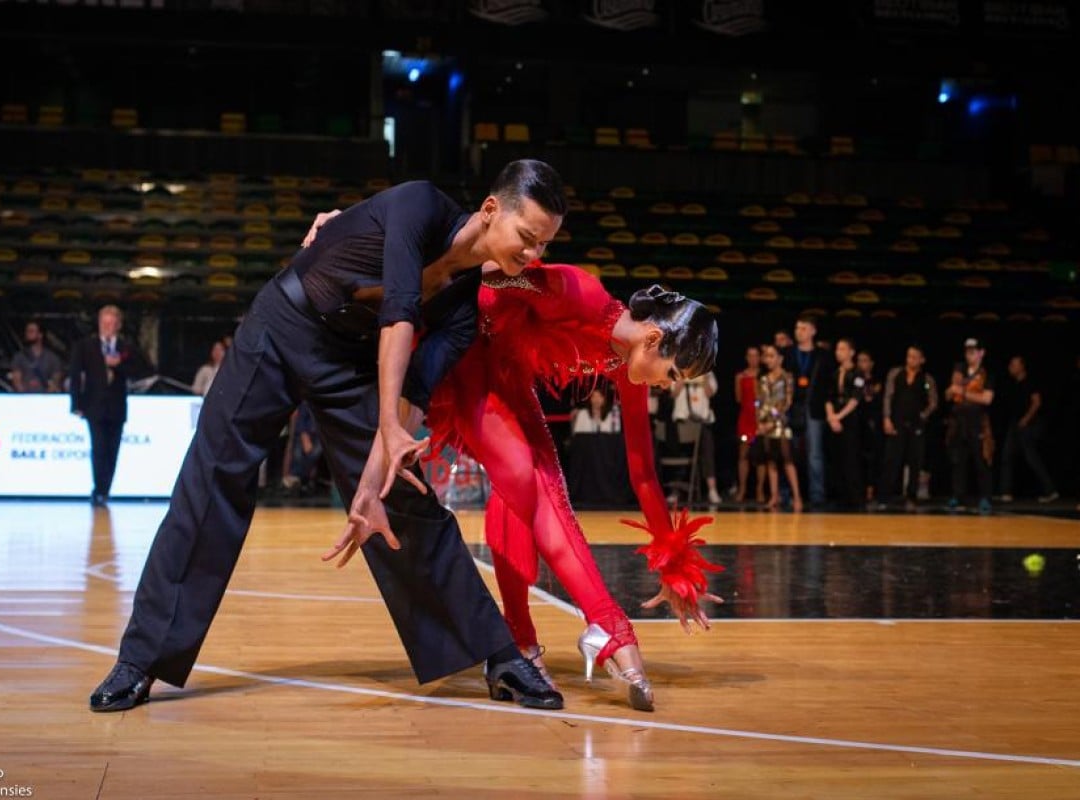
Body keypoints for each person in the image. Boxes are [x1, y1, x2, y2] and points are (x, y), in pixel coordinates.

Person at [90, 161, 568, 713]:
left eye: (544, 246)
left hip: (350, 362)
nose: (533, 256)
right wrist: (386, 424)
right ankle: (142, 659)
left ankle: (499, 656)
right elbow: (399, 313)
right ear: (491, 210)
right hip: (283, 323)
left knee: (401, 491)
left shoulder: (464, 308)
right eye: (528, 238)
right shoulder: (420, 204)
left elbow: (412, 385)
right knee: (213, 475)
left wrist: (372, 482)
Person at [425, 268, 722, 711]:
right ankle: (605, 625)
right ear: (655, 339)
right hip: (465, 354)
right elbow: (490, 274)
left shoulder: (627, 366)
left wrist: (672, 563)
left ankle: (520, 645)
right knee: (533, 480)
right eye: (674, 374)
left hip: (505, 375)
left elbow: (642, 473)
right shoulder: (582, 291)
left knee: (539, 481)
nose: (666, 386)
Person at [69, 305, 151, 506]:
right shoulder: (85, 346)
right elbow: (75, 375)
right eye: (104, 323)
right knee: (98, 448)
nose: (107, 327)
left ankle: (105, 489)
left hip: (116, 407)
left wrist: (119, 365)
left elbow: (143, 370)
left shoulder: (126, 347)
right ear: (99, 324)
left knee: (112, 450)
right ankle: (98, 490)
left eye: (112, 324)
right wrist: (76, 403)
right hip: (94, 406)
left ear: (118, 325)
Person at [880, 345, 938, 510]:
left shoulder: (927, 378)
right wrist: (886, 418)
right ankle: (886, 495)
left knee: (915, 461)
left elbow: (933, 402)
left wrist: (923, 415)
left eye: (915, 357)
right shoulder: (895, 374)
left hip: (916, 424)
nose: (911, 359)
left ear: (922, 360)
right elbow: (888, 396)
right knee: (892, 459)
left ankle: (911, 495)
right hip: (896, 421)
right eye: (909, 356)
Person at [783, 315, 832, 507]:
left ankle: (817, 496)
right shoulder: (788, 353)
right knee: (788, 452)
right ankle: (787, 494)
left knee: (815, 454)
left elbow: (827, 384)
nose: (799, 332)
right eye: (797, 328)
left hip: (814, 408)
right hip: (791, 408)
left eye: (803, 328)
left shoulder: (822, 354)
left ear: (813, 331)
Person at [996, 355, 1058, 503]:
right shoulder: (1013, 384)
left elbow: (1036, 402)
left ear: (1022, 366)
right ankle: (1006, 492)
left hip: (1028, 423)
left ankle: (1051, 490)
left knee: (1032, 458)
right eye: (1010, 364)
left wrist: (1026, 419)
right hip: (1015, 423)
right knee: (1007, 456)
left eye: (1014, 364)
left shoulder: (1030, 382)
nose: (1011, 367)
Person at [945, 337, 995, 513]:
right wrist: (953, 390)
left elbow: (987, 398)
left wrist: (964, 392)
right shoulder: (959, 370)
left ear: (981, 353)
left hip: (977, 421)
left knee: (981, 460)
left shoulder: (986, 374)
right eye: (967, 352)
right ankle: (957, 495)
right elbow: (950, 393)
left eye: (973, 352)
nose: (969, 355)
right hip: (959, 421)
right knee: (958, 460)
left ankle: (985, 497)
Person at [757, 343, 803, 512]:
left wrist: (774, 421)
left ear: (780, 358)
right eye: (766, 356)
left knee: (788, 461)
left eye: (771, 356)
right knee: (771, 461)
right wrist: (760, 422)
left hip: (781, 424)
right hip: (766, 424)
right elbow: (760, 401)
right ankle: (774, 495)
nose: (768, 359)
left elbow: (787, 402)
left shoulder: (787, 377)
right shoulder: (763, 378)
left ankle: (797, 496)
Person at [825, 338, 865, 510]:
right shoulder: (835, 373)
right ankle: (839, 497)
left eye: (842, 349)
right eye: (837, 349)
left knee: (851, 458)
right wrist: (831, 416)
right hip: (835, 417)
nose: (838, 352)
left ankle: (854, 498)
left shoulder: (858, 373)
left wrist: (839, 416)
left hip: (850, 418)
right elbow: (828, 397)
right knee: (837, 458)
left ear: (851, 352)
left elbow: (855, 398)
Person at [672, 371, 721, 504]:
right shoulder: (677, 369)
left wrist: (703, 378)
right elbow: (673, 393)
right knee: (680, 454)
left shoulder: (707, 371)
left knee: (708, 452)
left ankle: (712, 489)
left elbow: (710, 392)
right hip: (683, 420)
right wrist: (683, 378)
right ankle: (676, 490)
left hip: (702, 421)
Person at [733, 345, 764, 503]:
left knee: (760, 457)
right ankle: (742, 489)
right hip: (745, 418)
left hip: (759, 420)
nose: (753, 359)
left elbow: (763, 398)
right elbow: (738, 398)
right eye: (750, 355)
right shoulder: (740, 376)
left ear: (760, 358)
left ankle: (759, 490)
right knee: (743, 455)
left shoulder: (764, 376)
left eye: (756, 355)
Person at [855, 349, 884, 503]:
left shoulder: (877, 381)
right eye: (859, 360)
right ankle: (859, 489)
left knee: (873, 457)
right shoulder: (855, 379)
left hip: (873, 423)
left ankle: (872, 489)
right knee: (858, 457)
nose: (862, 364)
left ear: (871, 364)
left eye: (865, 360)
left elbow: (874, 399)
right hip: (858, 422)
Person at [10, 320, 64, 393]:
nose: (28, 334)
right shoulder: (19, 357)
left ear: (40, 335)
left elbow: (56, 380)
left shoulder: (52, 358)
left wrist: (46, 396)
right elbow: (16, 380)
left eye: (31, 331)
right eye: (27, 331)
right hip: (25, 398)